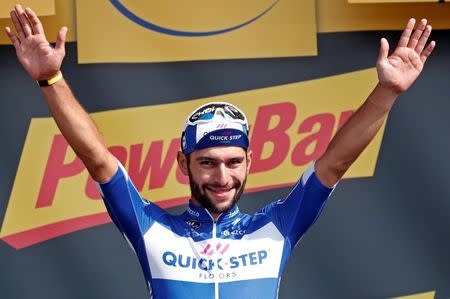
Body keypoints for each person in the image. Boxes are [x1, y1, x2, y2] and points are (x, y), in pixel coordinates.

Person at [5, 4, 435, 299]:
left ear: (251, 162)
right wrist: (51, 79)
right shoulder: (152, 227)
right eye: (207, 163)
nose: (222, 177)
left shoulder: (277, 225)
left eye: (233, 162)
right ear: (183, 164)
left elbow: (335, 162)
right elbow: (97, 159)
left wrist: (386, 92)